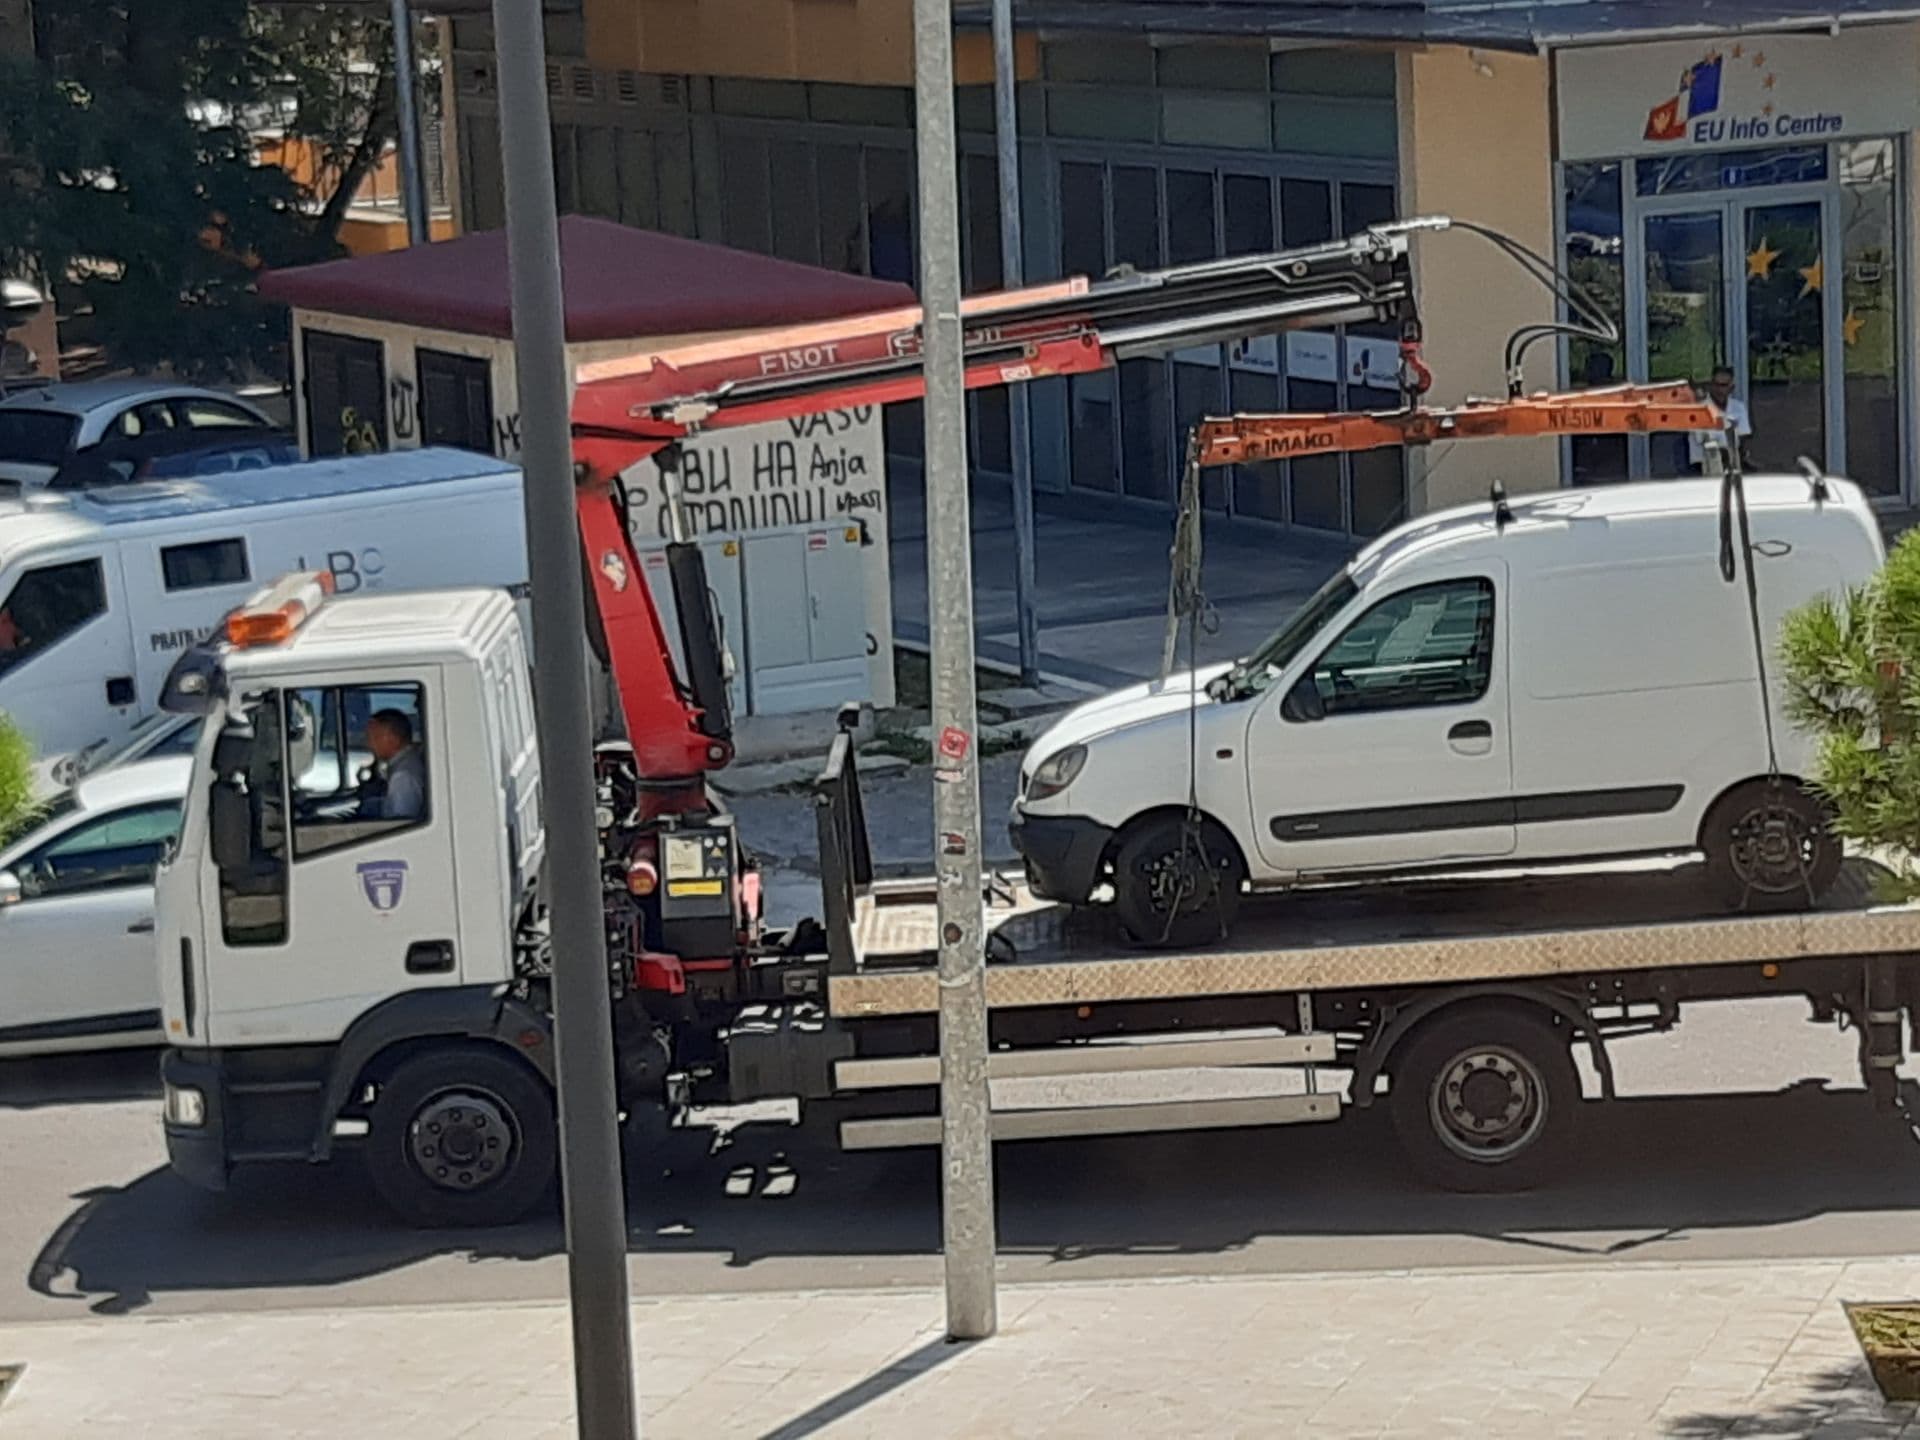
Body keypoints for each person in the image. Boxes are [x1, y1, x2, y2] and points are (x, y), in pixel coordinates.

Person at [362, 709, 426, 822]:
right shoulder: (407, 763)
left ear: (393, 740)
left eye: (374, 737)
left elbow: (400, 822)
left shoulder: (403, 777)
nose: (369, 744)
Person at [1688, 365, 1753, 473]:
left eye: (1723, 385)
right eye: (1715, 384)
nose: (1718, 389)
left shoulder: (1738, 408)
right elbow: (1704, 441)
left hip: (1731, 461)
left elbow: (1742, 438)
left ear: (1731, 388)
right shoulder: (1699, 410)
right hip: (1703, 466)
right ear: (1710, 385)